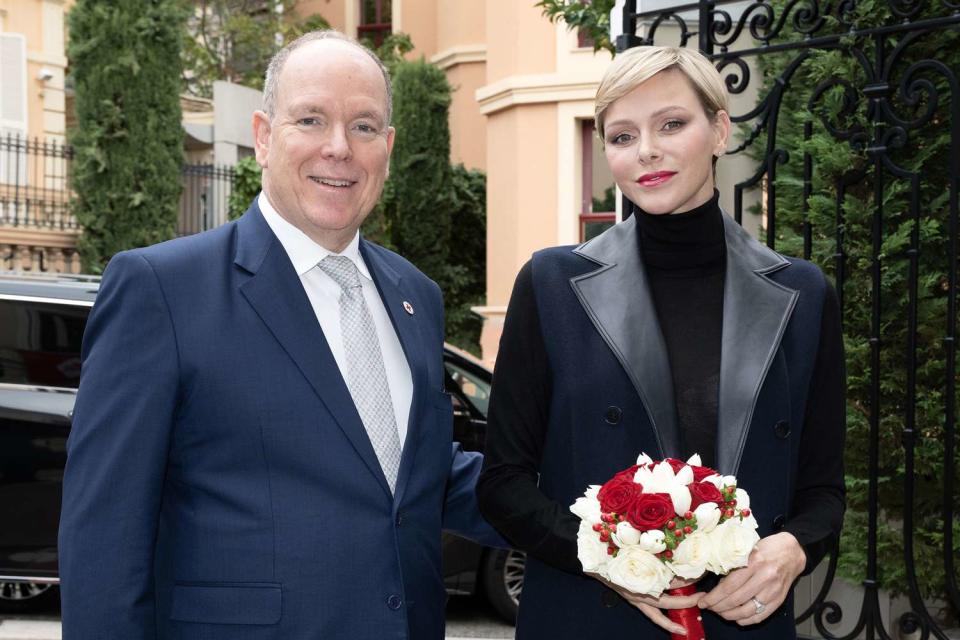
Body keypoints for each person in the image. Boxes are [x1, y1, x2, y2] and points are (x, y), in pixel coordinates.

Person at [59, 30, 502, 640]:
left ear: (389, 148)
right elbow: (104, 535)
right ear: (265, 137)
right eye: (311, 119)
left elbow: (412, 474)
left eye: (365, 127)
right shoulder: (161, 290)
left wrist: (601, 517)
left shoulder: (414, 294)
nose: (339, 148)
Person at [476, 45, 845, 639]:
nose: (646, 150)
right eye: (621, 136)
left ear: (720, 130)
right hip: (585, 617)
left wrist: (797, 548)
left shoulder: (802, 294)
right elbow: (503, 483)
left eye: (671, 124)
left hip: (742, 622)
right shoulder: (551, 285)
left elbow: (823, 489)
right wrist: (607, 561)